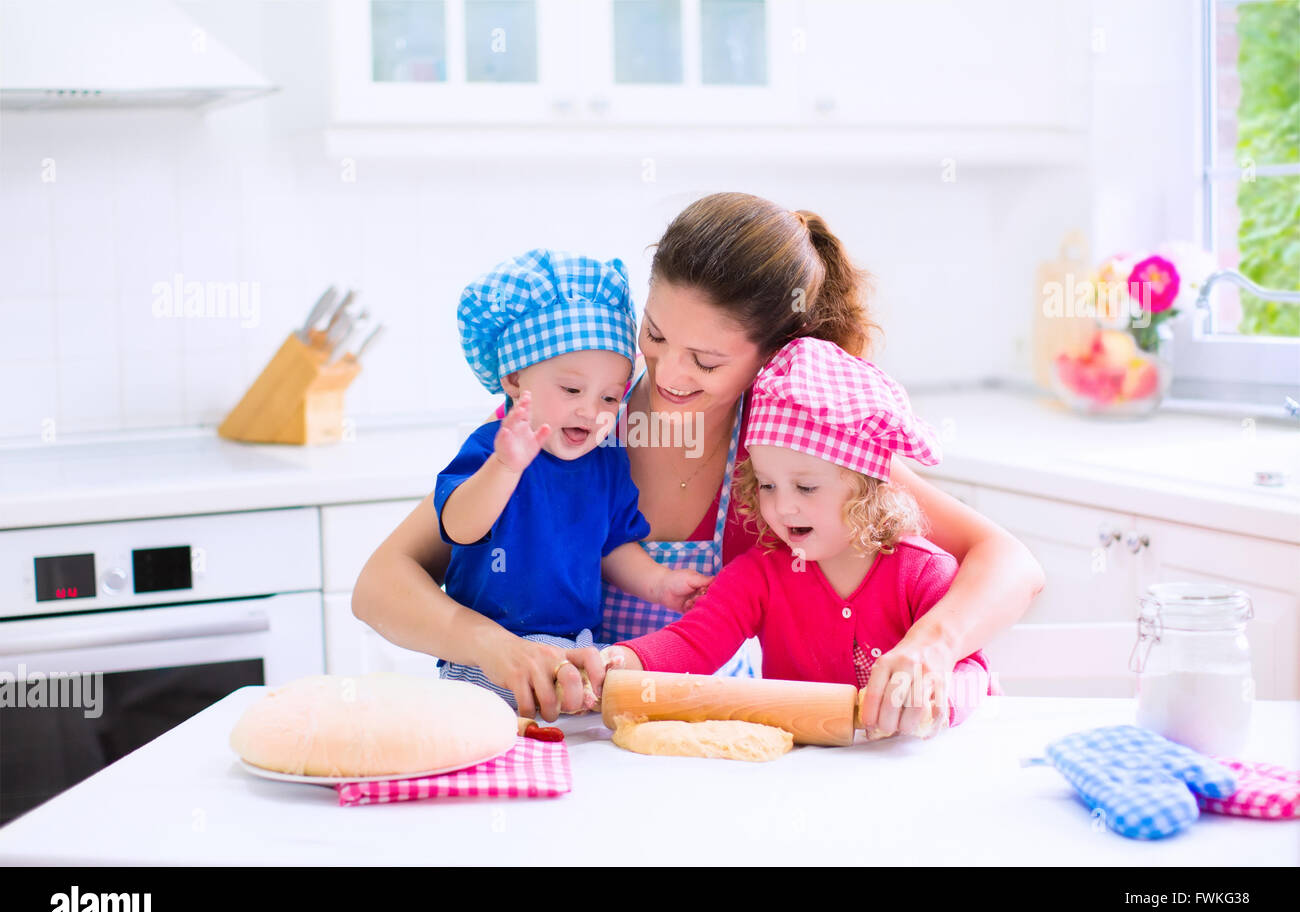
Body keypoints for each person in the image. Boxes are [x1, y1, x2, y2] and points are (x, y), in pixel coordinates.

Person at [352, 192, 1045, 729]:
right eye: (655, 335)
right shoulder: (572, 419)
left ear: (771, 355)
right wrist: (492, 647)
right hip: (566, 747)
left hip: (714, 755)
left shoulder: (791, 450)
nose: (668, 372)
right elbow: (380, 584)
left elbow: (1011, 563)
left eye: (706, 360)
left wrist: (931, 645)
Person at [604, 336, 1000, 737]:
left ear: (866, 487)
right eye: (767, 485)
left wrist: (936, 698)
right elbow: (692, 643)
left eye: (806, 488)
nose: (782, 507)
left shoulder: (922, 573)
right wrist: (619, 664)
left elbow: (972, 671)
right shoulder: (758, 575)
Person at [433, 248, 712, 709]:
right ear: (515, 378)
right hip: (491, 656)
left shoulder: (605, 461)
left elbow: (614, 546)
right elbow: (461, 528)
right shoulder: (492, 446)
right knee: (490, 745)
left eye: (609, 397)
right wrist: (505, 467)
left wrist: (658, 582)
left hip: (575, 647)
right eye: (571, 390)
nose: (591, 410)